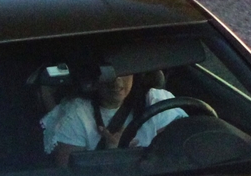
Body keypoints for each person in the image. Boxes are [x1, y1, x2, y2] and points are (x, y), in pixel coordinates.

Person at [41, 65, 183, 158]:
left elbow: (175, 155)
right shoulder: (76, 116)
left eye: (123, 71)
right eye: (108, 73)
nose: (117, 81)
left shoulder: (156, 102)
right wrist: (110, 156)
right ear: (94, 78)